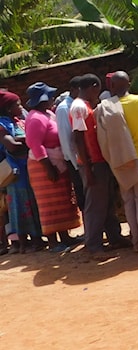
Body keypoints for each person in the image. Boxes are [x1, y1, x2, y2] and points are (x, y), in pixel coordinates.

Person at [95, 72, 138, 255]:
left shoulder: (105, 107)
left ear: (111, 86)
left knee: (129, 202)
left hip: (120, 160)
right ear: (129, 83)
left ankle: (135, 241)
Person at [70, 73, 130, 259]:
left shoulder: (86, 106)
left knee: (106, 201)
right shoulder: (79, 107)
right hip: (92, 163)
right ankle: (94, 245)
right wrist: (88, 168)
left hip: (98, 161)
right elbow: (78, 137)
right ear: (93, 87)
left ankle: (114, 236)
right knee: (95, 205)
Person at [23, 82, 81, 251]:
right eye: (50, 96)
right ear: (43, 99)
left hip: (56, 162)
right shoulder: (35, 118)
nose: (53, 98)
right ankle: (53, 242)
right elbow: (35, 144)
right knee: (48, 204)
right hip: (43, 165)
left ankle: (64, 237)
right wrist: (48, 166)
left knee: (61, 201)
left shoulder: (47, 113)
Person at [0, 89, 41, 253]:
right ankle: (24, 243)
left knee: (32, 203)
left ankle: (37, 239)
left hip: (27, 168)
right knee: (20, 206)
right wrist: (31, 139)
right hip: (15, 172)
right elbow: (11, 145)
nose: (21, 106)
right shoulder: (2, 124)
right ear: (8, 108)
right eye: (17, 104)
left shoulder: (16, 120)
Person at [54, 76, 85, 214]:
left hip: (82, 158)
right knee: (83, 194)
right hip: (75, 160)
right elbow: (66, 140)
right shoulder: (64, 108)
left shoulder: (80, 105)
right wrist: (76, 164)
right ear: (73, 89)